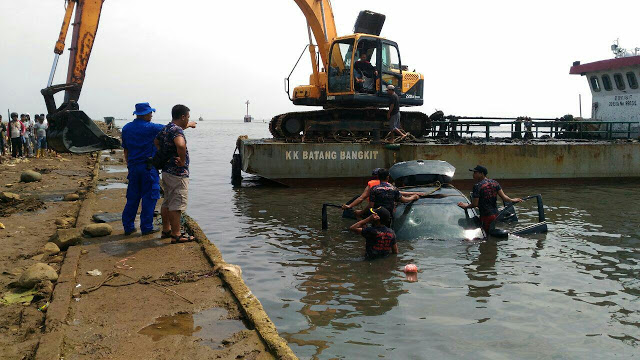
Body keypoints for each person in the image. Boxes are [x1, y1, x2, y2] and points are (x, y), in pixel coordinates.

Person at [121, 102, 166, 236]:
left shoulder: (126, 128)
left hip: (134, 167)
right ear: (145, 114)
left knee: (132, 198)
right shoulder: (152, 128)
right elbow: (173, 129)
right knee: (150, 197)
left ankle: (128, 227)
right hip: (148, 168)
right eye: (150, 113)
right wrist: (188, 124)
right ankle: (146, 227)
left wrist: (129, 166)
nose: (151, 115)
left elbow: (126, 150)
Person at [155, 104, 197, 243]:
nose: (188, 120)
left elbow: (156, 141)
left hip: (167, 171)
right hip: (177, 173)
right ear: (183, 116)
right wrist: (183, 160)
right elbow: (180, 144)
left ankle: (166, 230)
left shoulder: (167, 128)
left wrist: (164, 153)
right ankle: (176, 235)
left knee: (167, 201)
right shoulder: (177, 131)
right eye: (188, 117)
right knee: (177, 204)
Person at [457, 165, 522, 233]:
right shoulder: (495, 183)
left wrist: (466, 206)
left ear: (482, 173)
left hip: (486, 216)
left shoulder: (477, 186)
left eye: (475, 173)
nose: (473, 175)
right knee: (491, 232)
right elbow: (504, 197)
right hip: (496, 214)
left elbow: (475, 204)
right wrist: (512, 200)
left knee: (486, 235)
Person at [342, 168, 424, 219]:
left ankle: (364, 229)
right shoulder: (392, 188)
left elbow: (365, 201)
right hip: (389, 214)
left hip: (376, 213)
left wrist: (356, 209)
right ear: (388, 177)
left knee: (357, 214)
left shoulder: (373, 188)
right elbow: (403, 199)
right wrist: (414, 196)